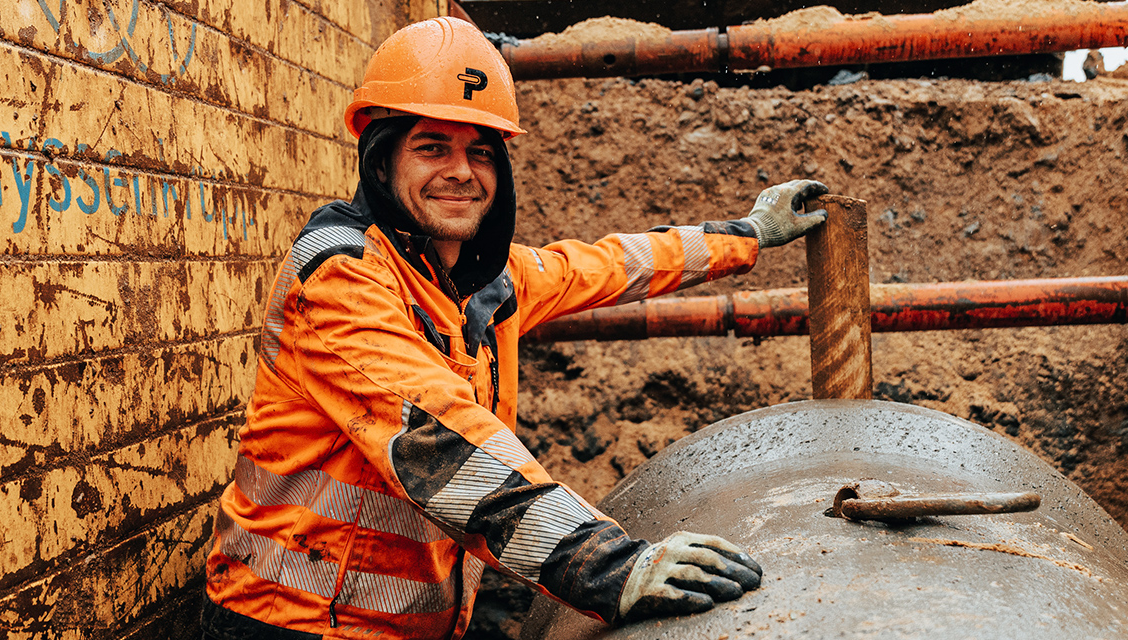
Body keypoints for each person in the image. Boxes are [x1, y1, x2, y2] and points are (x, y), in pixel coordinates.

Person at [202, 16, 830, 640]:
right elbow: (440, 443)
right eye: (432, 147)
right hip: (296, 622)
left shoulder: (478, 280)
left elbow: (608, 264)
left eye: (480, 151)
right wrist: (608, 568)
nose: (461, 171)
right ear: (381, 157)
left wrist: (746, 234)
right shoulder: (341, 278)